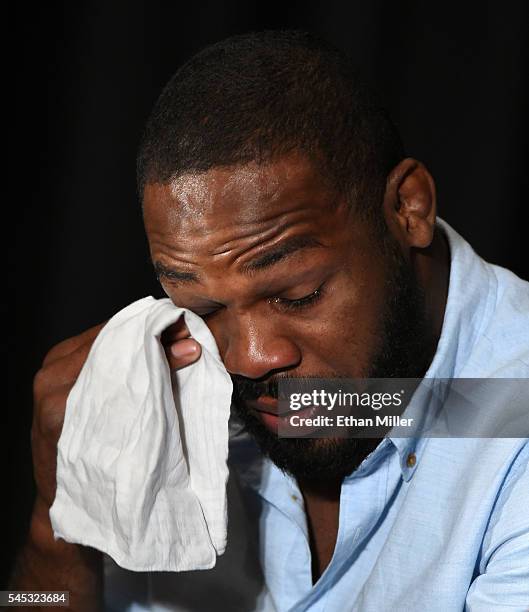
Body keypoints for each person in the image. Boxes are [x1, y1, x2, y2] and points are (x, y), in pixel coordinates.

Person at [12, 30, 529, 611]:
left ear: (408, 209)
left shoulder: (514, 435)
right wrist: (56, 531)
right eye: (203, 309)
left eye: (298, 294)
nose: (251, 357)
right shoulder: (163, 386)